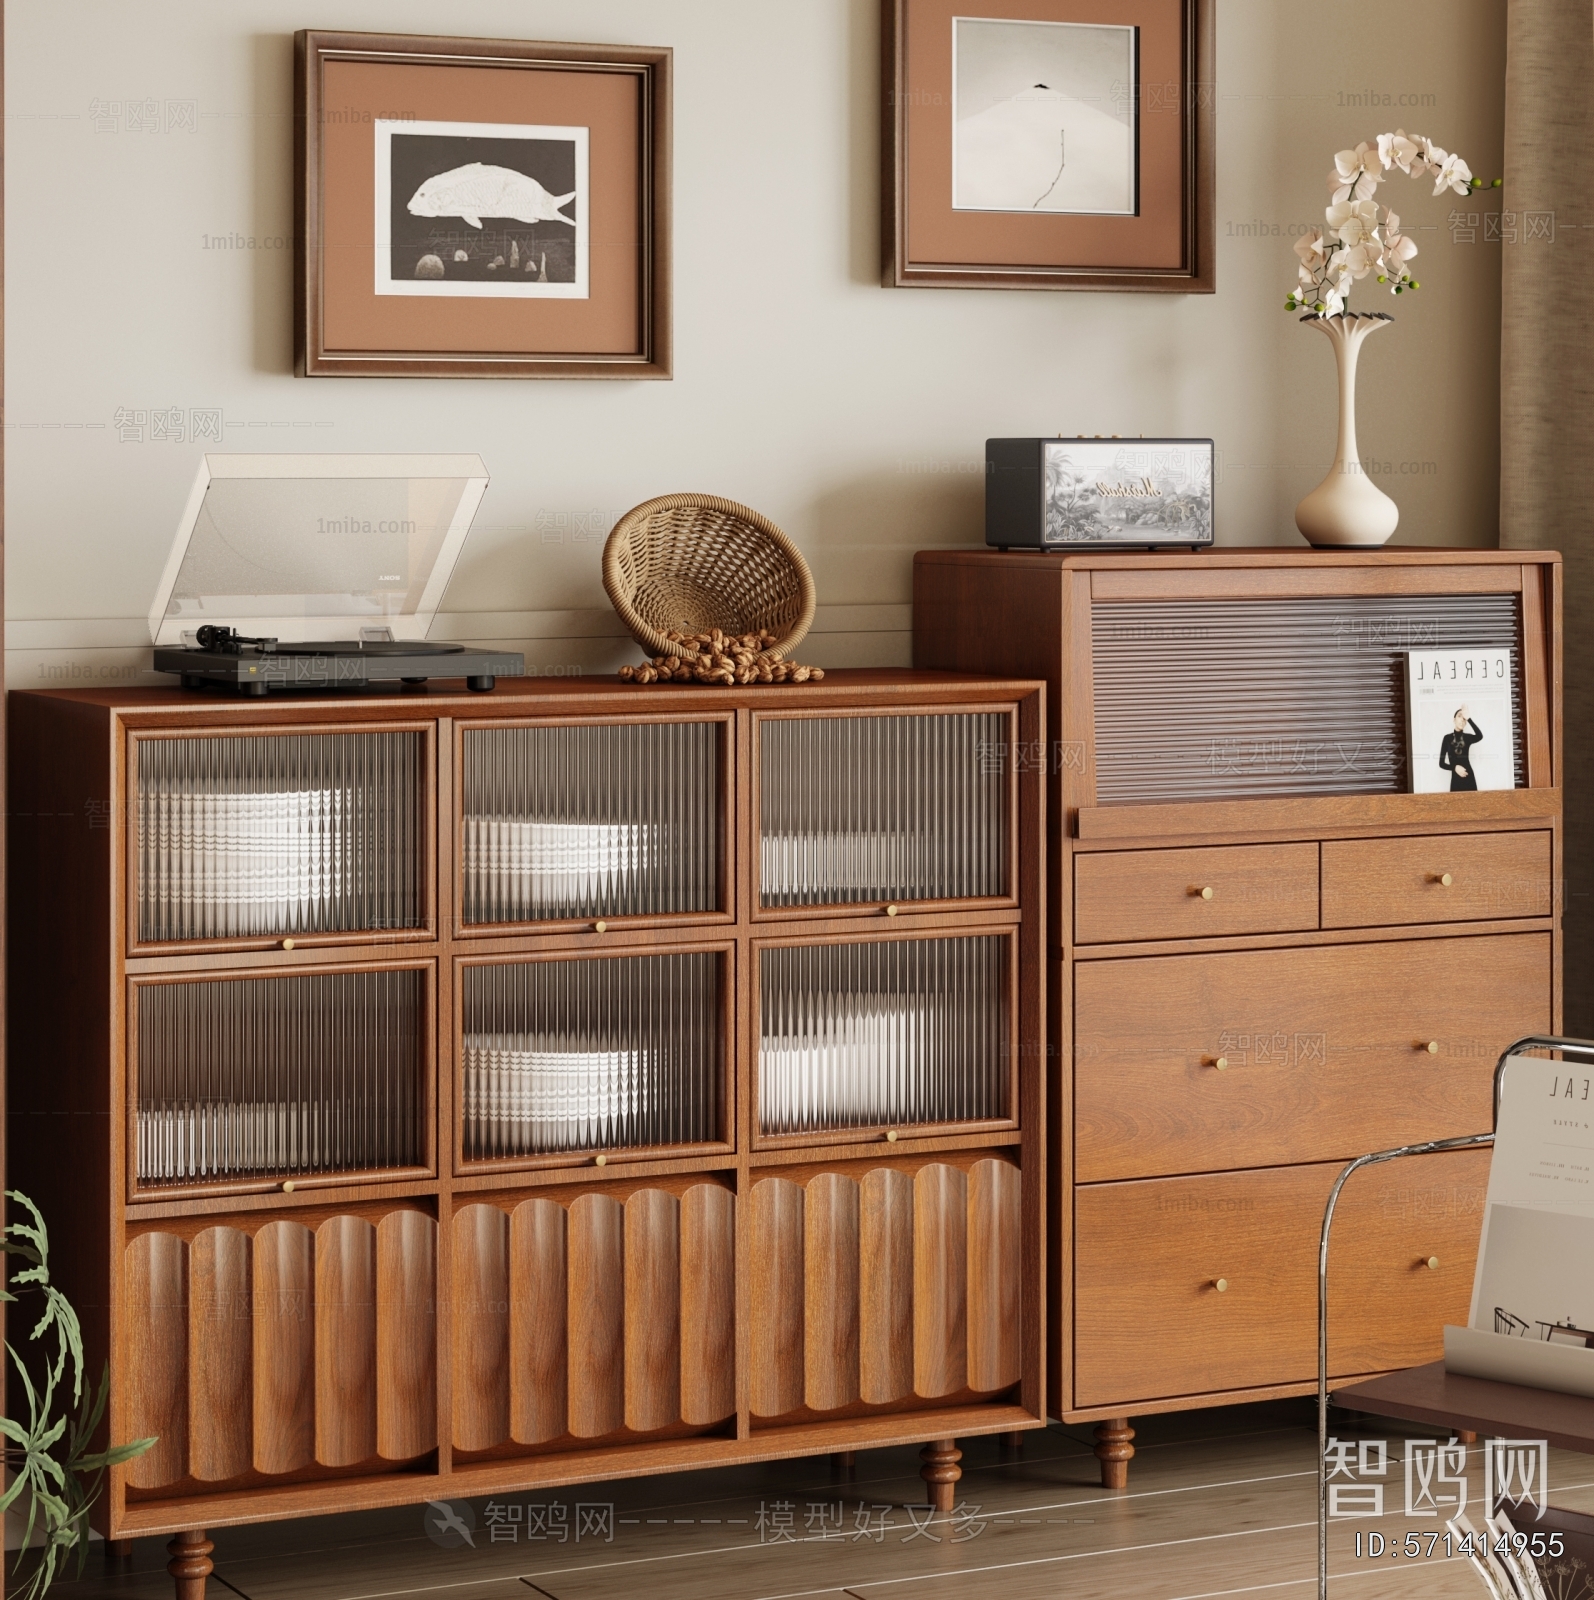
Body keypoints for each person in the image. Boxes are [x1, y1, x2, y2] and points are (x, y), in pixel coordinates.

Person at [1439, 706, 1483, 791]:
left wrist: (1469, 718)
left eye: (1464, 718)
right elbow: (1441, 763)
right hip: (1456, 780)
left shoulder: (1467, 737)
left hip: (1469, 778)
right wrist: (1454, 767)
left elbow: (1479, 736)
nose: (1462, 719)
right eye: (1459, 716)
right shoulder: (1447, 738)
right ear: (1454, 719)